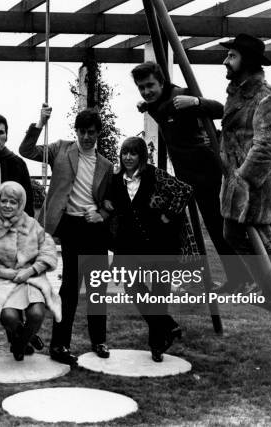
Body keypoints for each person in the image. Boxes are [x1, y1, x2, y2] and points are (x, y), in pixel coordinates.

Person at [131, 61, 251, 292]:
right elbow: (158, 108)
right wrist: (144, 105)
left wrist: (196, 102)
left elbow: (220, 110)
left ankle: (247, 279)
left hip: (209, 171)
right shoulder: (154, 104)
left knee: (224, 227)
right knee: (205, 228)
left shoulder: (181, 96)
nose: (146, 92)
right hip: (188, 177)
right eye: (141, 88)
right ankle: (231, 279)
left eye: (150, 86)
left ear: (161, 82)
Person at [19, 106, 112, 365]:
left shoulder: (106, 165)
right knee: (70, 287)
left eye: (91, 133)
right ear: (76, 131)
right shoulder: (60, 149)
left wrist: (102, 214)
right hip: (69, 225)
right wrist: (40, 122)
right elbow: (25, 150)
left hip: (94, 228)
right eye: (82, 132)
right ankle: (59, 345)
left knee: (98, 286)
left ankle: (99, 340)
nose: (86, 137)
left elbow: (110, 202)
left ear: (98, 133)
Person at [105, 137, 192, 362]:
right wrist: (107, 204)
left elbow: (184, 191)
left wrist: (168, 215)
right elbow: (112, 204)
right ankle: (168, 325)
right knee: (133, 287)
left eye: (133, 153)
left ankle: (157, 345)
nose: (128, 157)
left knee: (160, 295)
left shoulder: (155, 175)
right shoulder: (116, 180)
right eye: (125, 153)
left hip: (162, 245)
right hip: (132, 247)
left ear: (141, 156)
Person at [218, 34, 271, 297]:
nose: (225, 61)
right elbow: (234, 131)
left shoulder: (266, 97)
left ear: (246, 61)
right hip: (233, 180)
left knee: (266, 239)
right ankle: (261, 282)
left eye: (232, 56)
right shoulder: (237, 92)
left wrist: (243, 178)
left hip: (253, 185)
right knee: (232, 234)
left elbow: (267, 148)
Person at [0, 181, 61, 361]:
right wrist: (1, 273)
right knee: (9, 316)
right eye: (4, 201)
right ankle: (28, 337)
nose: (8, 205)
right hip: (2, 282)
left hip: (30, 279)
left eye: (13, 202)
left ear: (20, 204)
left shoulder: (32, 225)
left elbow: (49, 250)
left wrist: (32, 270)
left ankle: (19, 344)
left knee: (36, 314)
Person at [0, 114, 34, 219]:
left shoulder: (17, 164)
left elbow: (27, 203)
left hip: (8, 229)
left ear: (6, 136)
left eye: (1, 132)